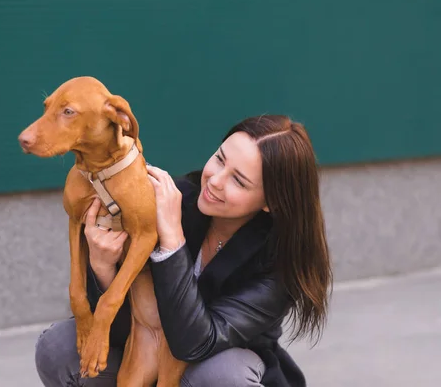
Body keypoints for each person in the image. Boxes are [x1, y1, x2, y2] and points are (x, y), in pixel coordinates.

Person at [35, 115, 333, 387]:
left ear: (272, 201)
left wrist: (172, 242)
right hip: (144, 359)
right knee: (60, 346)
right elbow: (127, 325)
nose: (214, 180)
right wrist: (103, 268)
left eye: (238, 181)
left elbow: (195, 343)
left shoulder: (280, 263)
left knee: (222, 376)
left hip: (208, 366)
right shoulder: (178, 198)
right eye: (219, 159)